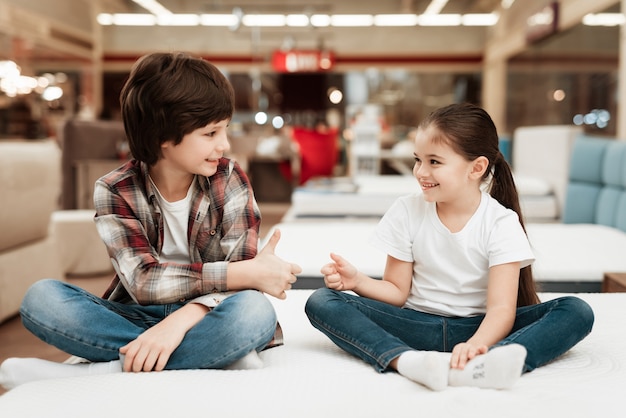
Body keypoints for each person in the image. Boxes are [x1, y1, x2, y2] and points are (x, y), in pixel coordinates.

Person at [0, 51, 302, 390]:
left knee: (252, 313)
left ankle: (103, 371)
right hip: (137, 312)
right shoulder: (114, 190)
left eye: (225, 129)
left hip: (210, 312)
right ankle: (215, 356)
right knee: (42, 299)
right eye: (211, 133)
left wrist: (182, 320)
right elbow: (143, 282)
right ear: (163, 135)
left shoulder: (229, 178)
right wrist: (241, 274)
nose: (225, 144)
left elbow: (243, 286)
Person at [304, 103, 594, 391]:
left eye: (434, 162)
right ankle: (403, 359)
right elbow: (396, 291)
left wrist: (476, 345)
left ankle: (490, 361)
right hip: (415, 324)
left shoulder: (501, 222)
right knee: (321, 301)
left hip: (481, 327)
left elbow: (501, 310)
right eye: (418, 160)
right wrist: (358, 281)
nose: (420, 172)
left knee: (576, 310)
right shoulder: (406, 210)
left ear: (477, 168)